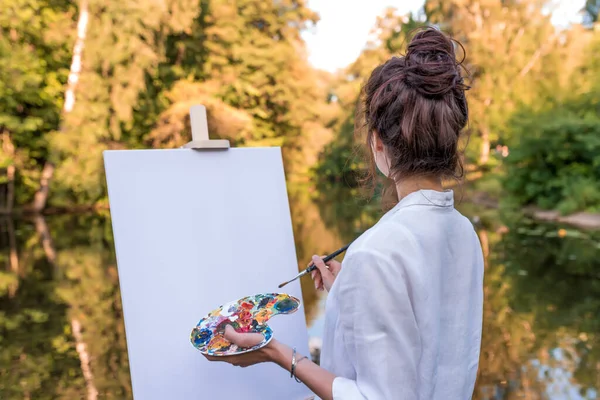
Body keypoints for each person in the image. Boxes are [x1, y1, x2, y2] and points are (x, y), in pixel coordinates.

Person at [205, 26, 484, 400]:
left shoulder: (376, 253)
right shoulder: (464, 232)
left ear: (378, 143)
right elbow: (428, 339)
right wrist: (347, 296)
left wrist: (276, 352)